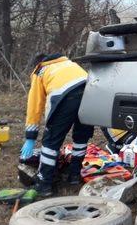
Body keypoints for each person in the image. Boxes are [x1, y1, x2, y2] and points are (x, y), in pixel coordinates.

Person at [20, 53, 94, 196]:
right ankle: (74, 176)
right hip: (91, 92)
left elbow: (35, 106)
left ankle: (44, 184)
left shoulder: (40, 71)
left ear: (37, 64)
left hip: (66, 97)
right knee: (81, 137)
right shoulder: (70, 64)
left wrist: (30, 137)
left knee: (50, 142)